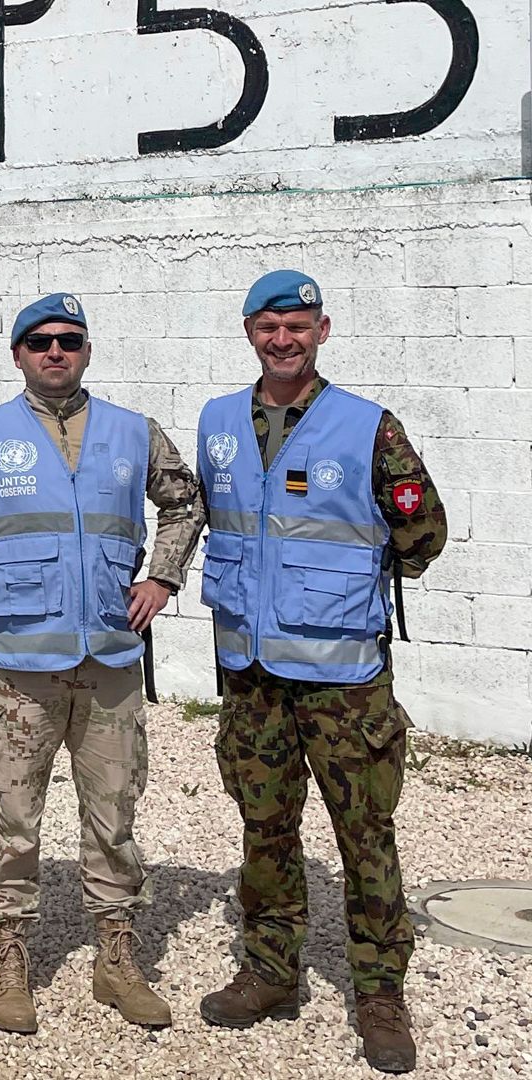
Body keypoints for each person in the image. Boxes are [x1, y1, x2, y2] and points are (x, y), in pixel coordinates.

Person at [0, 294, 205, 1034]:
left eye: (68, 340)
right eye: (39, 342)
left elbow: (185, 502)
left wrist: (162, 578)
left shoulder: (133, 432)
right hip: (22, 661)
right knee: (15, 816)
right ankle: (10, 957)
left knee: (114, 813)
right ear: (18, 355)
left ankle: (116, 958)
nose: (54, 351)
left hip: (109, 659)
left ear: (86, 350)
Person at [194, 270, 447, 1074]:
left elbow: (423, 532)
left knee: (364, 833)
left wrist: (342, 585)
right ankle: (271, 970)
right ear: (249, 332)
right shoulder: (217, 421)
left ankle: (379, 993)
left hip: (344, 677)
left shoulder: (368, 426)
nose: (283, 340)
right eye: (269, 327)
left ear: (322, 331)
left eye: (298, 326)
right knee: (265, 828)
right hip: (252, 673)